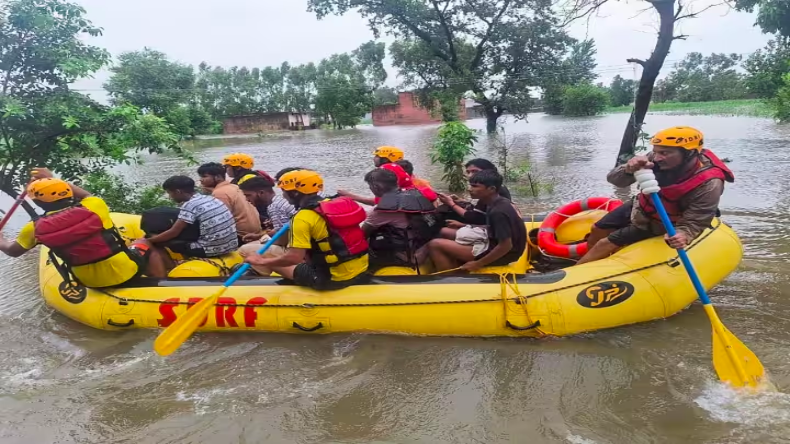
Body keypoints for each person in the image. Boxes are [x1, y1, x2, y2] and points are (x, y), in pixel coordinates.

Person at [577, 126, 734, 265]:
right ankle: (595, 265)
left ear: (689, 153)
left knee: (605, 243)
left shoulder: (709, 183)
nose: (657, 157)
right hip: (644, 205)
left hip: (667, 220)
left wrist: (684, 234)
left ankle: (579, 273)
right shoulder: (655, 159)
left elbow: (696, 219)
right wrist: (628, 169)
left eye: (665, 153)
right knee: (597, 229)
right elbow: (616, 181)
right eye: (656, 151)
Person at [0, 168, 169, 285]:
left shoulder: (33, 228)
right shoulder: (94, 206)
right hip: (124, 271)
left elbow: (12, 251)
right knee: (144, 242)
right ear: (66, 192)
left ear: (35, 202)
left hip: (89, 281)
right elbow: (85, 194)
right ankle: (160, 283)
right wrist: (54, 179)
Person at [245, 170, 369, 290]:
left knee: (272, 262)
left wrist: (261, 261)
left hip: (332, 278)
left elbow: (294, 258)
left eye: (284, 191)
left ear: (295, 193)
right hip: (362, 268)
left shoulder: (302, 217)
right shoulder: (333, 204)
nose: (283, 195)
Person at [425, 170, 526, 272]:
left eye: (475, 186)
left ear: (491, 189)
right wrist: (463, 225)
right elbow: (493, 227)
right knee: (444, 231)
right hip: (491, 238)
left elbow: (506, 245)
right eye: (470, 185)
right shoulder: (497, 202)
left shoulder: (498, 212)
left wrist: (478, 263)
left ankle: (450, 279)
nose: (470, 189)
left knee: (434, 244)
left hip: (506, 254)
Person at [361, 168, 438, 270]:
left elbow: (362, 235)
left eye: (370, 186)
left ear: (376, 186)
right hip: (424, 248)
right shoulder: (416, 195)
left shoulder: (381, 211)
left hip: (408, 257)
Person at [146, 175, 238, 259]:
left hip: (210, 249)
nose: (170, 197)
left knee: (160, 242)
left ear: (178, 191)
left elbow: (173, 232)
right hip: (231, 245)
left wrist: (149, 240)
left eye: (170, 193)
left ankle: (169, 269)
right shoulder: (209, 198)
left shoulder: (190, 205)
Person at [236, 175, 297, 275]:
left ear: (261, 193)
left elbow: (283, 240)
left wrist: (264, 242)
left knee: (243, 249)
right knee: (258, 241)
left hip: (292, 249)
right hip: (294, 242)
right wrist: (259, 236)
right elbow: (281, 229)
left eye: (248, 195)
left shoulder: (274, 207)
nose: (247, 199)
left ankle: (262, 275)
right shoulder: (280, 201)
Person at [197, 162, 261, 239]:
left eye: (204, 176)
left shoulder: (219, 193)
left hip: (241, 236)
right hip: (256, 230)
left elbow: (220, 221)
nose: (201, 180)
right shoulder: (233, 186)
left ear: (217, 177)